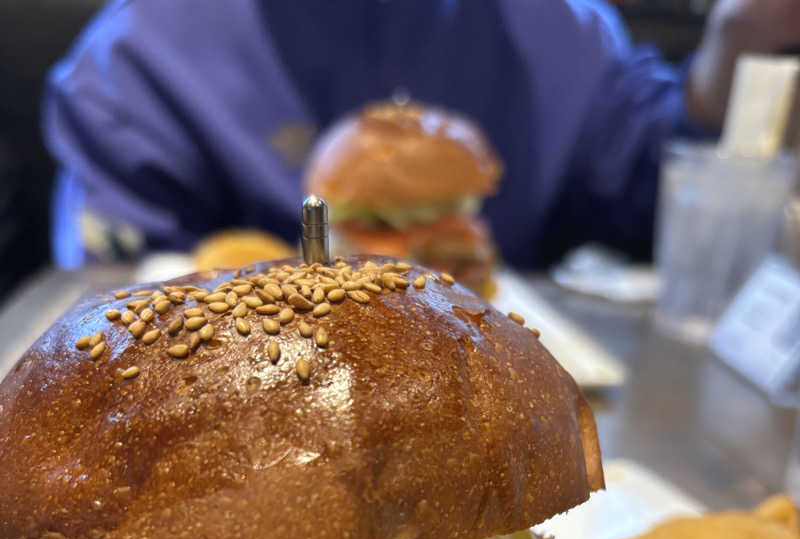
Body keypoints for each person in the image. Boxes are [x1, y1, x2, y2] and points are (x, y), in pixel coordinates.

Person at [43, 0, 800, 270]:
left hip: (532, 410)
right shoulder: (136, 60)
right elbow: (113, 299)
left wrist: (735, 53)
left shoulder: (561, 27)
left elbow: (648, 179)